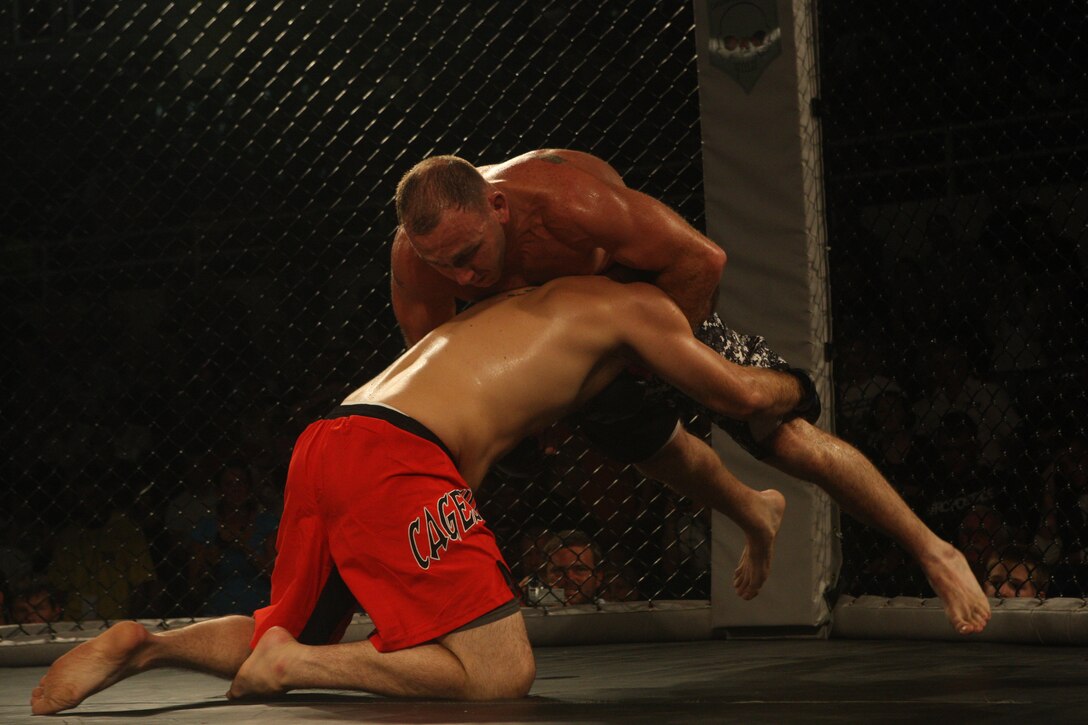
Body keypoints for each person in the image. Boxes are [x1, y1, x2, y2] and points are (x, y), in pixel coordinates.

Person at [31, 276, 831, 714]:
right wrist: (800, 384)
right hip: (396, 457)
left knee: (278, 618)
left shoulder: (517, 317)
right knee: (498, 673)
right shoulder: (640, 309)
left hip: (329, 439)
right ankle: (296, 663)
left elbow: (657, 447)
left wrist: (751, 514)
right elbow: (736, 394)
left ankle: (149, 645)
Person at [390, 149, 989, 632]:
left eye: (468, 256)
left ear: (497, 206)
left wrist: (654, 357)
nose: (463, 277)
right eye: (445, 265)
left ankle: (933, 549)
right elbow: (444, 367)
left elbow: (702, 260)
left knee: (785, 442)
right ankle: (753, 509)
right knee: (652, 449)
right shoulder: (419, 262)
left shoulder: (569, 204)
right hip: (564, 344)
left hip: (647, 304)